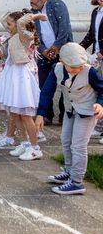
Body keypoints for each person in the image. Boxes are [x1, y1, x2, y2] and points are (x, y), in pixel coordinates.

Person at [39, 43, 103, 194]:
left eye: (80, 65)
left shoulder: (90, 72)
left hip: (87, 111)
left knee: (78, 145)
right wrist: (40, 114)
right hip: (70, 109)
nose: (78, 69)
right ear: (62, 61)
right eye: (73, 66)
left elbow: (102, 89)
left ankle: (76, 182)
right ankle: (68, 171)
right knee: (66, 140)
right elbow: (47, 92)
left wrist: (100, 104)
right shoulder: (57, 69)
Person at [0, 10, 46, 161]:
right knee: (18, 114)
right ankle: (25, 142)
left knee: (26, 115)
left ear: (19, 24)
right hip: (14, 75)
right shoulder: (14, 34)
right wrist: (14, 16)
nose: (7, 26)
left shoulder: (24, 35)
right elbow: (4, 21)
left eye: (10, 24)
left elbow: (21, 23)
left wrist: (35, 16)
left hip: (23, 77)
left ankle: (35, 148)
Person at [29, 0, 73, 125]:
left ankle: (64, 115)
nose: (31, 1)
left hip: (63, 51)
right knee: (43, 84)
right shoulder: (33, 13)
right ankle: (46, 115)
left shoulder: (56, 4)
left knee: (66, 83)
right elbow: (34, 35)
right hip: (45, 54)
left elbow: (64, 28)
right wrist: (43, 50)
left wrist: (56, 47)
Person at [79, 0, 103, 143]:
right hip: (95, 59)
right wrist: (78, 48)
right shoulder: (96, 12)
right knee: (99, 92)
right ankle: (99, 127)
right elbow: (91, 34)